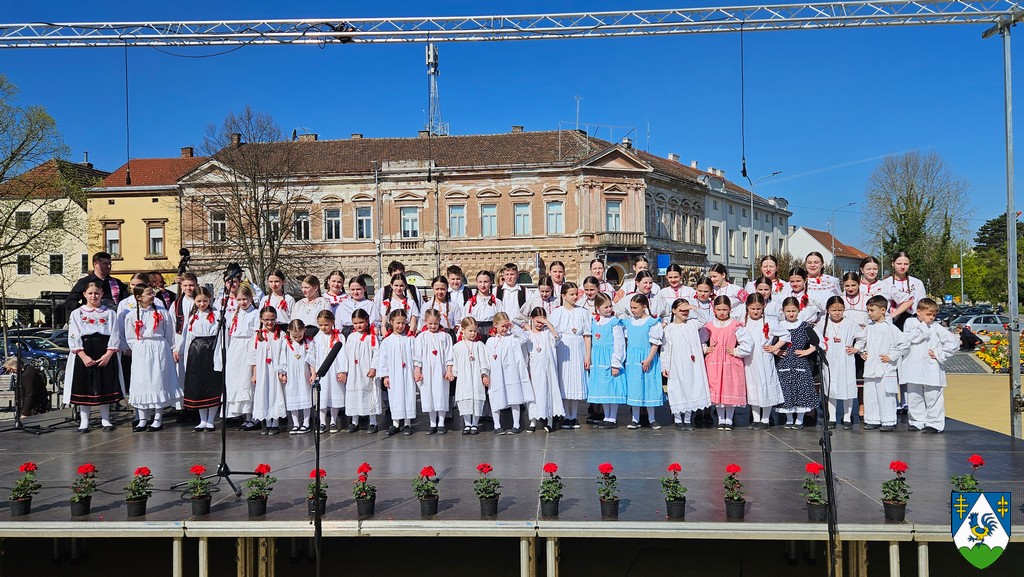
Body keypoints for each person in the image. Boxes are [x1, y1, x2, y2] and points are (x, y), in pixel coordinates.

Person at [63, 281, 122, 431]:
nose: (93, 296)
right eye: (90, 293)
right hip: (85, 350)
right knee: (85, 386)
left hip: (104, 350)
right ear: (84, 294)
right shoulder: (77, 313)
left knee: (105, 384)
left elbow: (115, 333)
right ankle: (84, 421)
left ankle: (105, 419)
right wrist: (83, 356)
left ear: (102, 294)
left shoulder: (110, 313)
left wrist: (109, 354)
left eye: (96, 293)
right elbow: (73, 335)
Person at [125, 284, 182, 432]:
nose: (152, 296)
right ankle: (142, 419)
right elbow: (130, 336)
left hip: (159, 348)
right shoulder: (131, 315)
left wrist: (171, 348)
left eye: (152, 293)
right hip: (142, 350)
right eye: (148, 294)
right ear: (139, 297)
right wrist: (138, 348)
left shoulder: (162, 312)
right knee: (141, 383)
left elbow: (169, 334)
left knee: (158, 381)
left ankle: (157, 419)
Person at [902, 298, 958, 433]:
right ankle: (916, 421)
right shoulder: (910, 323)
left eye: (933, 315)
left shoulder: (936, 327)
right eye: (928, 314)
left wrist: (940, 353)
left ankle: (934, 423)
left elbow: (953, 342)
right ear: (918, 311)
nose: (931, 318)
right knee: (914, 395)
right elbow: (910, 339)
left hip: (931, 366)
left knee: (933, 395)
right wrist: (923, 325)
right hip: (913, 365)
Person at [704, 295, 753, 430]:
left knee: (729, 388)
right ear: (714, 309)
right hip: (714, 361)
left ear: (730, 309)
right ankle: (721, 419)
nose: (721, 312)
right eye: (718, 309)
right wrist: (706, 348)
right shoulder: (709, 326)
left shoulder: (735, 325)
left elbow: (748, 342)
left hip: (730, 362)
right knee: (717, 388)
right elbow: (700, 339)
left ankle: (729, 420)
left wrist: (736, 351)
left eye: (724, 309)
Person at [860, 295, 909, 432]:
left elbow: (905, 343)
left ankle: (888, 420)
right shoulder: (869, 328)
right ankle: (872, 419)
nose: (869, 313)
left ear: (882, 310)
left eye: (872, 310)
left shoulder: (891, 328)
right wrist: (862, 352)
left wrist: (891, 356)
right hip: (871, 368)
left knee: (886, 395)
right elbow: (862, 342)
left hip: (886, 368)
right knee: (870, 395)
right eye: (868, 311)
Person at [175, 287, 221, 432]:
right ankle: (202, 420)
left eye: (205, 301)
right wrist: (186, 358)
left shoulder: (217, 315)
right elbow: (189, 338)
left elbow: (220, 335)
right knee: (198, 385)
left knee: (211, 385)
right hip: (196, 352)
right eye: (199, 301)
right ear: (194, 301)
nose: (202, 304)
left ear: (210, 300)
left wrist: (219, 356)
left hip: (211, 349)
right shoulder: (192, 318)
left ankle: (211, 420)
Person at [660, 298, 710, 431]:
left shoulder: (692, 324)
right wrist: (664, 366)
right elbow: (665, 349)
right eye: (681, 310)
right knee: (677, 389)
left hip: (692, 364)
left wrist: (694, 308)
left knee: (691, 388)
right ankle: (678, 419)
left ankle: (687, 419)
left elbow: (704, 320)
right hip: (676, 363)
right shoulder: (669, 329)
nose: (684, 312)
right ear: (674, 310)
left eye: (686, 310)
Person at [817, 296, 865, 430]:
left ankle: (847, 416)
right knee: (831, 388)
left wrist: (856, 348)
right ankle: (832, 417)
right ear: (828, 310)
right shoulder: (823, 323)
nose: (837, 313)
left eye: (840, 310)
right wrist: (822, 347)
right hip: (830, 360)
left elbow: (862, 337)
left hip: (846, 360)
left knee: (847, 388)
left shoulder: (850, 324)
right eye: (834, 310)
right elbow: (816, 338)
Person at [774, 296, 820, 430]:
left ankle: (799, 420)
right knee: (786, 390)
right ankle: (789, 419)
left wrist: (807, 351)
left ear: (799, 310)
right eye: (788, 311)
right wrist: (776, 351)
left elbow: (818, 342)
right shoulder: (779, 326)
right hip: (784, 363)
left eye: (793, 311)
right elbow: (770, 342)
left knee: (801, 390)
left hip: (800, 363)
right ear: (783, 311)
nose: (791, 314)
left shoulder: (804, 325)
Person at [741, 293, 786, 430]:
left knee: (765, 385)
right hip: (749, 360)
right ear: (747, 307)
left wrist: (774, 347)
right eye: (752, 308)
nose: (755, 311)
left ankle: (765, 419)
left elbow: (785, 335)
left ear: (764, 306)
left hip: (764, 359)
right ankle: (755, 418)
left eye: (758, 309)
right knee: (752, 387)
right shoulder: (743, 321)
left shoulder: (770, 322)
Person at [550, 283, 591, 429]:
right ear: (563, 296)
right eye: (571, 294)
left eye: (576, 294)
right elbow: (552, 334)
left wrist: (588, 355)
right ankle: (566, 415)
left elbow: (587, 335)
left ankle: (574, 415)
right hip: (563, 348)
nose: (575, 297)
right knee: (565, 380)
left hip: (578, 348)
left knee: (577, 380)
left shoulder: (584, 312)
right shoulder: (557, 313)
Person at [484, 312, 533, 434]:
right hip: (496, 374)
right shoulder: (490, 341)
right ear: (495, 325)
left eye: (507, 326)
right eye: (503, 326)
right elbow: (486, 359)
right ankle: (497, 425)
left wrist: (513, 326)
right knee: (495, 397)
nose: (505, 329)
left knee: (514, 398)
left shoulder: (513, 339)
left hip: (511, 373)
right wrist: (485, 374)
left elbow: (524, 337)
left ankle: (516, 425)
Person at [622, 294, 664, 429]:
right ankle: (635, 419)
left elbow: (655, 344)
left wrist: (649, 359)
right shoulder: (629, 322)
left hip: (647, 356)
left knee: (649, 386)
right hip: (633, 357)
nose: (633, 310)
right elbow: (627, 341)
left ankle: (652, 418)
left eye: (635, 307)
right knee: (635, 386)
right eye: (631, 307)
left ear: (644, 307)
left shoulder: (652, 322)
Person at [376, 309, 418, 436]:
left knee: (409, 395)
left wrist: (416, 370)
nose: (401, 326)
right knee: (395, 396)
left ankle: (407, 423)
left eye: (403, 323)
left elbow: (416, 356)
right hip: (394, 374)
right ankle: (395, 423)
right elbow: (383, 359)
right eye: (398, 323)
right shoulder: (387, 341)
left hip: (408, 372)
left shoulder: (410, 339)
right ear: (391, 322)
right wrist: (385, 376)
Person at [588, 294, 626, 429]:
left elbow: (619, 343)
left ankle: (612, 417)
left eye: (610, 306)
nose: (609, 309)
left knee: (612, 388)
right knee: (603, 389)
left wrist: (616, 363)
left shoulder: (614, 322)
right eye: (606, 307)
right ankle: (606, 416)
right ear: (597, 307)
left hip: (609, 357)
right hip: (598, 359)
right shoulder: (594, 321)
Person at [224, 285, 260, 430]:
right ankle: (245, 416)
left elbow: (256, 334)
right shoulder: (235, 314)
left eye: (245, 299)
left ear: (251, 298)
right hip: (235, 349)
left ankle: (254, 417)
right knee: (237, 381)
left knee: (248, 382)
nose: (242, 302)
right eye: (239, 300)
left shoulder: (255, 314)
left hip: (248, 347)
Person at [414, 308, 454, 435]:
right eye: (430, 323)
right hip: (427, 370)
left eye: (435, 323)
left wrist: (449, 370)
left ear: (439, 321)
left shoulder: (445, 336)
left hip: (441, 370)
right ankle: (432, 423)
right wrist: (418, 370)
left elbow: (449, 354)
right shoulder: (421, 337)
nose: (433, 326)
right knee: (428, 394)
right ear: (425, 321)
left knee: (441, 393)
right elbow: (417, 355)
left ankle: (441, 422)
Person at [525, 306, 564, 432]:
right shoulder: (528, 335)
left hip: (547, 369)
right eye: (538, 321)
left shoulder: (547, 334)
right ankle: (533, 421)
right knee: (534, 394)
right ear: (532, 318)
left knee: (548, 392)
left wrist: (547, 323)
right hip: (534, 368)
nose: (540, 324)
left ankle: (550, 421)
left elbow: (557, 337)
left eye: (542, 321)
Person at [448, 317, 489, 434]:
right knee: (465, 398)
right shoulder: (457, 347)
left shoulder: (479, 345)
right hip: (464, 377)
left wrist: (484, 374)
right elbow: (455, 361)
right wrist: (453, 372)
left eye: (475, 331)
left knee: (476, 399)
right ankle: (467, 423)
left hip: (476, 377)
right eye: (470, 331)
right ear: (463, 330)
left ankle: (475, 423)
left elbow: (484, 361)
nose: (473, 333)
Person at [250, 306, 286, 435]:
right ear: (261, 319)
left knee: (275, 392)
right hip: (262, 369)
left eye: (272, 319)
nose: (269, 322)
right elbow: (253, 356)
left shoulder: (281, 335)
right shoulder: (257, 335)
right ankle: (266, 421)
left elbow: (283, 353)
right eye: (266, 320)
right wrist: (254, 374)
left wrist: (282, 371)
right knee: (263, 392)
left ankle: (275, 422)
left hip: (275, 369)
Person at [343, 309, 380, 433]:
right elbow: (346, 354)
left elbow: (377, 354)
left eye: (361, 322)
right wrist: (344, 370)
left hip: (367, 370)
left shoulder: (372, 337)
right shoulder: (351, 337)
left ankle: (373, 422)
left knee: (370, 394)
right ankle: (355, 421)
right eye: (355, 323)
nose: (358, 326)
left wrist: (374, 367)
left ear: (367, 321)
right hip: (354, 371)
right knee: (354, 395)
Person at [311, 310, 346, 433]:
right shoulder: (316, 338)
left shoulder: (340, 337)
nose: (323, 328)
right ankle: (322, 422)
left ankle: (333, 421)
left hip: (334, 369)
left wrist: (342, 370)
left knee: (334, 394)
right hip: (322, 370)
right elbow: (313, 355)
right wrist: (314, 371)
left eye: (326, 324)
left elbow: (343, 354)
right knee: (322, 396)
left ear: (332, 322)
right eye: (320, 325)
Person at [279, 319, 315, 435]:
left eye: (300, 335)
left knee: (306, 396)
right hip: (291, 374)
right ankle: (295, 423)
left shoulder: (308, 342)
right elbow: (283, 358)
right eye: (294, 336)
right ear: (288, 331)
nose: (297, 338)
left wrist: (313, 373)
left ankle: (306, 423)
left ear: (304, 330)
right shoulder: (286, 343)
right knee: (292, 396)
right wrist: (282, 373)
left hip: (304, 373)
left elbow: (311, 359)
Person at [884, 251, 927, 329]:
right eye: (899, 264)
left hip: (913, 321)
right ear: (893, 264)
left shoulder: (917, 283)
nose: (902, 267)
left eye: (906, 264)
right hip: (892, 321)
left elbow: (923, 305)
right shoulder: (886, 283)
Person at [465, 270, 502, 340]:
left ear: (491, 282)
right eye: (480, 282)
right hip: (475, 334)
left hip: (492, 335)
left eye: (485, 282)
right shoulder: (470, 303)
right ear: (476, 283)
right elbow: (465, 321)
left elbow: (501, 320)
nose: (483, 285)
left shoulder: (497, 302)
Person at [293, 275, 329, 339]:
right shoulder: (299, 304)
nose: (304, 290)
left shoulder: (324, 303)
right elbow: (293, 321)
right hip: (300, 335)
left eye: (306, 288)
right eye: (302, 287)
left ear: (315, 288)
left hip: (318, 335)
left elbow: (327, 321)